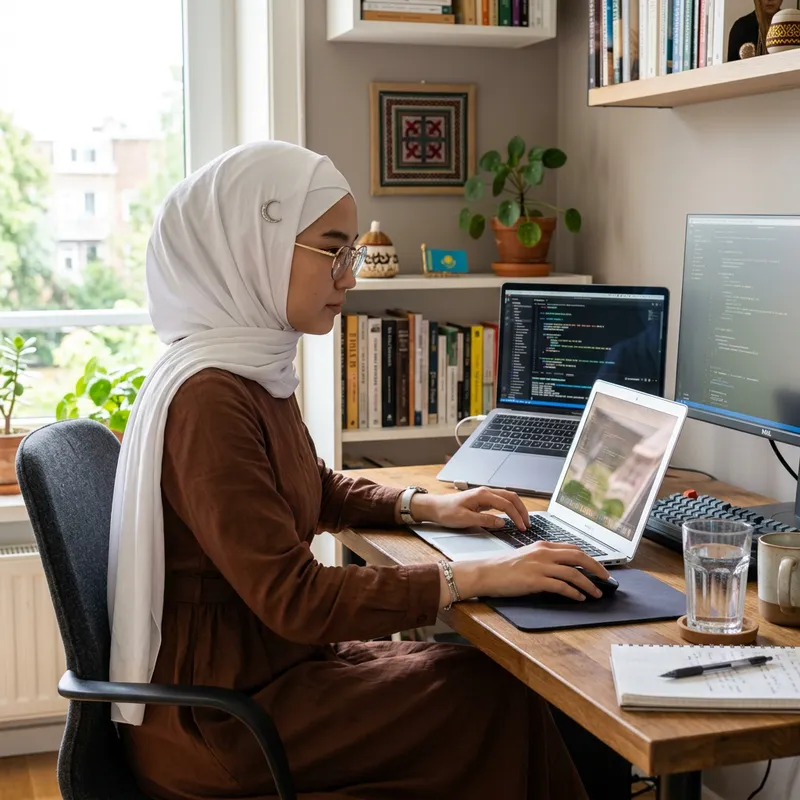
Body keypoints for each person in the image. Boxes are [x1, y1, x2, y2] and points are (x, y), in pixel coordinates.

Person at [107, 141, 612, 800]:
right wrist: (479, 576)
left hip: (270, 675)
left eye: (352, 253)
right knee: (491, 694)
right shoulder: (210, 399)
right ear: (254, 246)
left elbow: (313, 487)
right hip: (225, 721)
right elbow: (296, 600)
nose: (350, 275)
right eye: (333, 251)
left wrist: (427, 506)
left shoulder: (249, 370)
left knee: (488, 684)